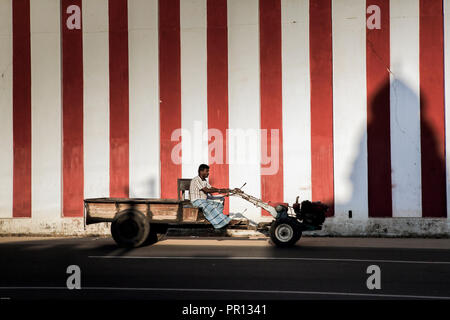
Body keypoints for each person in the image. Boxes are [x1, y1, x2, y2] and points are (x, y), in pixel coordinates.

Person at [189, 164, 235, 229]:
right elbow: (207, 190)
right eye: (207, 171)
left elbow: (211, 188)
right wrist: (219, 190)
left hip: (204, 200)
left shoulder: (204, 180)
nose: (208, 173)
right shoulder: (196, 180)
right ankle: (223, 221)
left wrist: (224, 190)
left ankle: (214, 221)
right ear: (201, 171)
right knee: (210, 207)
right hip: (196, 201)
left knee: (219, 204)